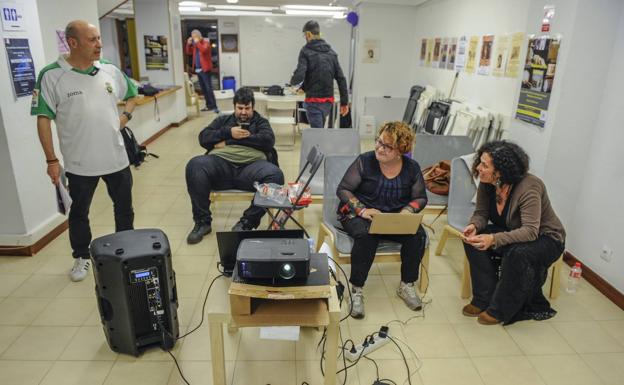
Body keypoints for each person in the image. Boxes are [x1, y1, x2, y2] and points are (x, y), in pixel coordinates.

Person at [31, 20, 138, 282]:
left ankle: (127, 250)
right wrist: (51, 160)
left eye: (99, 38)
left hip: (116, 158)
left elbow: (133, 94)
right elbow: (43, 118)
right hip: (79, 164)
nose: (99, 44)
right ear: (73, 42)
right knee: (79, 213)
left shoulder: (109, 70)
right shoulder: (51, 75)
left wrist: (125, 116)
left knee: (124, 208)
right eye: (92, 39)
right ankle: (81, 256)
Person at [462, 140, 566, 325]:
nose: (478, 167)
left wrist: (494, 238)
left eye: (484, 165)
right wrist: (475, 226)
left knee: (516, 253)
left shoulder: (530, 186)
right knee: (472, 240)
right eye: (480, 162)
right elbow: (481, 213)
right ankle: (484, 298)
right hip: (515, 231)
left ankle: (499, 309)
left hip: (547, 238)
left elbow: (531, 231)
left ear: (501, 170)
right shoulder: (488, 182)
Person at [336, 121, 428, 319]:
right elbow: (343, 189)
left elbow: (420, 197)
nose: (379, 148)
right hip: (359, 214)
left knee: (418, 235)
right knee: (366, 236)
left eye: (387, 146)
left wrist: (407, 211)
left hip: (393, 216)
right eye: (378, 141)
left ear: (400, 151)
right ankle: (356, 289)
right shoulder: (365, 161)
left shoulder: (412, 168)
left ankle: (406, 285)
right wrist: (362, 210)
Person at [185, 87, 284, 244]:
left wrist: (230, 140)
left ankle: (246, 224)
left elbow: (267, 140)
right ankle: (202, 223)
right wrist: (228, 132)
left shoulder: (260, 122)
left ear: (253, 107)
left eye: (247, 108)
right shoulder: (223, 121)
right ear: (234, 107)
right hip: (221, 166)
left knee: (276, 176)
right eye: (240, 108)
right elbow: (203, 138)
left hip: (252, 169)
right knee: (195, 165)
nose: (243, 112)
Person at [290, 20, 349, 128]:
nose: (305, 39)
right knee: (319, 130)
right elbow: (341, 78)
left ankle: (319, 144)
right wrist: (345, 102)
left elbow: (300, 74)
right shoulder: (331, 53)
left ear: (308, 34)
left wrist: (292, 82)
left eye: (305, 36)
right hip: (328, 102)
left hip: (313, 101)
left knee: (317, 134)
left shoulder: (305, 51)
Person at [185, 29, 218, 112]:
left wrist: (197, 42)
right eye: (192, 37)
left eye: (194, 37)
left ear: (199, 36)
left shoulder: (206, 43)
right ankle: (208, 106)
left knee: (208, 88)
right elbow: (188, 52)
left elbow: (203, 50)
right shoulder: (196, 45)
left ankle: (214, 106)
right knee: (203, 89)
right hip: (198, 70)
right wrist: (188, 44)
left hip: (205, 69)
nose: (193, 39)